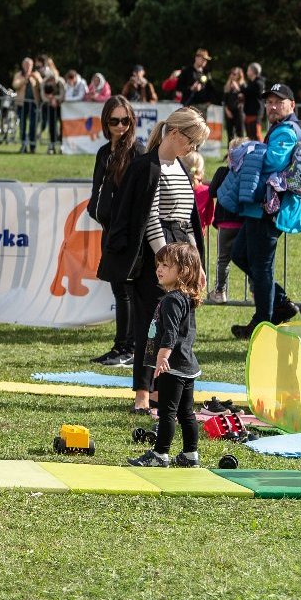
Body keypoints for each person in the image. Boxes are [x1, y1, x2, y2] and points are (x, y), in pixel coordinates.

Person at [96, 106, 209, 413]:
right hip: (156, 257)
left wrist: (194, 265)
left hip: (182, 252)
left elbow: (188, 218)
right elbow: (150, 218)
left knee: (178, 323)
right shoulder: (147, 166)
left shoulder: (181, 167)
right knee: (150, 326)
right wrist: (165, 262)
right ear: (175, 132)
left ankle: (164, 391)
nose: (192, 148)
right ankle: (143, 394)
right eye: (191, 141)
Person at [229, 83, 301, 339]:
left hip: (268, 211)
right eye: (269, 102)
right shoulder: (278, 129)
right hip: (260, 209)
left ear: (292, 105)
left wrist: (248, 149)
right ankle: (281, 303)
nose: (272, 106)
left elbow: (272, 161)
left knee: (261, 267)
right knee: (240, 254)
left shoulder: (287, 131)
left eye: (278, 101)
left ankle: (263, 322)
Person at [126, 243, 207, 468]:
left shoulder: (172, 300)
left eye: (166, 265)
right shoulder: (184, 297)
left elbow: (170, 333)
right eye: (158, 265)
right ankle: (190, 455)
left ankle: (160, 454)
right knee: (186, 412)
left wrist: (162, 357)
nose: (159, 269)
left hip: (172, 365)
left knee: (167, 412)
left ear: (183, 271)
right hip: (187, 364)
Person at [87, 96, 145, 366]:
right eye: (114, 121)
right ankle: (121, 345)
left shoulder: (137, 152)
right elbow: (97, 188)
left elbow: (140, 194)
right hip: (109, 228)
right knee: (118, 289)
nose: (120, 126)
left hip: (129, 232)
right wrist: (95, 210)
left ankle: (128, 347)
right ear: (106, 122)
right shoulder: (103, 153)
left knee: (127, 290)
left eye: (125, 120)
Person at [207, 140, 247, 303]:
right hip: (243, 223)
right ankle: (254, 290)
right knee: (249, 258)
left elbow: (212, 191)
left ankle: (219, 291)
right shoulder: (247, 174)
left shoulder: (222, 171)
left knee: (223, 259)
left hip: (225, 224)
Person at [12, 57, 44, 154]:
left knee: (33, 125)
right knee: (22, 125)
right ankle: (23, 145)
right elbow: (15, 85)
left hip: (33, 104)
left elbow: (42, 86)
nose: (27, 67)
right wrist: (24, 80)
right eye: (26, 65)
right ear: (23, 65)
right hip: (21, 104)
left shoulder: (36, 74)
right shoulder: (19, 75)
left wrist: (36, 79)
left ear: (32, 66)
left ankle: (32, 146)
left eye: (29, 65)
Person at [39, 58, 65, 155]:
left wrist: (55, 98)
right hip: (50, 106)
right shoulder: (44, 83)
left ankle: (62, 144)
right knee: (52, 126)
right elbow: (43, 96)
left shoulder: (61, 82)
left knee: (62, 126)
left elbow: (63, 95)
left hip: (61, 107)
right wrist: (50, 99)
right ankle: (52, 144)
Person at [240, 63, 265, 140]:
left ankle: (261, 151)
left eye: (248, 70)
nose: (247, 72)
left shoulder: (258, 83)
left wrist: (240, 86)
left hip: (255, 113)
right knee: (250, 136)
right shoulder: (252, 83)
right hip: (249, 112)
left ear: (252, 71)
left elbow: (247, 91)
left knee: (256, 134)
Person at [222, 67, 246, 141]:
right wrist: (227, 111)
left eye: (234, 74)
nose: (232, 75)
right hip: (229, 111)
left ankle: (240, 151)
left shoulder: (243, 85)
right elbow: (224, 100)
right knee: (230, 134)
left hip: (239, 112)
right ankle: (230, 151)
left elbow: (244, 98)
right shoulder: (227, 86)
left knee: (240, 133)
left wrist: (238, 89)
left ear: (239, 75)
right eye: (231, 74)